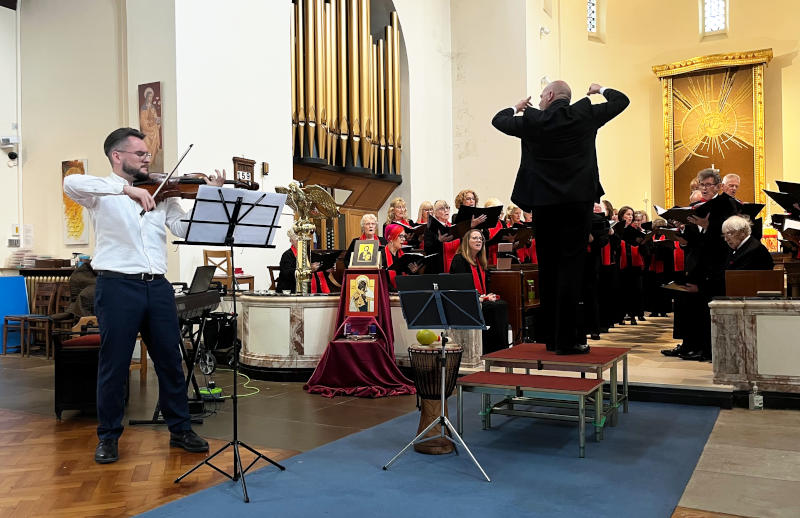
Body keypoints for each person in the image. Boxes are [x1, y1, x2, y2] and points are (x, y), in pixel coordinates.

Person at [63, 127, 221, 464]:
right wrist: (127, 191)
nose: (148, 158)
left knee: (170, 361)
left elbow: (183, 229)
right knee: (114, 365)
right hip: (118, 286)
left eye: (147, 153)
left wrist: (210, 198)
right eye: (140, 154)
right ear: (117, 156)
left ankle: (179, 429)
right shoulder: (101, 193)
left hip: (158, 286)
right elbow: (70, 183)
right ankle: (108, 437)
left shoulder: (162, 193)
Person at [492, 81, 629, 354]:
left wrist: (517, 107)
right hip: (577, 203)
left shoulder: (534, 121)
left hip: (543, 204)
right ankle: (568, 339)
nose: (540, 100)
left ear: (551, 95)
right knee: (571, 269)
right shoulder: (585, 114)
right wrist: (600, 90)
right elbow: (621, 100)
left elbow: (499, 120)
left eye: (542, 96)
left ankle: (551, 338)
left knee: (549, 268)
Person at [449, 229, 510, 353]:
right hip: (465, 302)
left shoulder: (479, 261)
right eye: (475, 238)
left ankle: (500, 350)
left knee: (500, 304)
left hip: (480, 300)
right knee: (495, 308)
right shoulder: (459, 260)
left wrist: (487, 296)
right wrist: (481, 298)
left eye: (480, 239)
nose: (478, 241)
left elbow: (484, 287)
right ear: (467, 241)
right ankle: (493, 350)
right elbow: (460, 288)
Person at [276, 228, 331, 293]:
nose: (301, 243)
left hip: (314, 290)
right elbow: (287, 273)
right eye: (298, 240)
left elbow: (319, 273)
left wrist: (326, 270)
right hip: (292, 289)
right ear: (291, 240)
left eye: (302, 240)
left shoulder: (311, 254)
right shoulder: (287, 255)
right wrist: (308, 269)